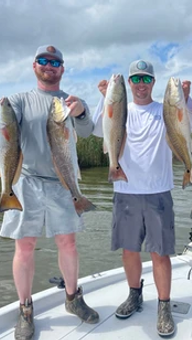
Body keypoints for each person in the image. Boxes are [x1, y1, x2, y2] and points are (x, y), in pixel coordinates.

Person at [0, 45, 99, 340]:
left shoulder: (71, 101)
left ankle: (73, 298)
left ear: (62, 69)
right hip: (26, 181)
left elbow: (87, 130)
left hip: (62, 182)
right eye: (43, 61)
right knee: (25, 246)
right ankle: (25, 309)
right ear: (34, 66)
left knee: (68, 243)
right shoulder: (18, 101)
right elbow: (7, 131)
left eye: (55, 62)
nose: (49, 65)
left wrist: (80, 112)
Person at [92, 59, 192, 337]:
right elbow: (94, 129)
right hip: (124, 192)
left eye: (146, 79)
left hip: (158, 192)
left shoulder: (166, 111)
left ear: (153, 82)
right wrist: (104, 100)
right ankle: (135, 294)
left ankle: (163, 306)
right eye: (136, 79)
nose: (140, 84)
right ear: (128, 83)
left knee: (160, 253)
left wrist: (186, 98)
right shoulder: (115, 108)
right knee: (129, 251)